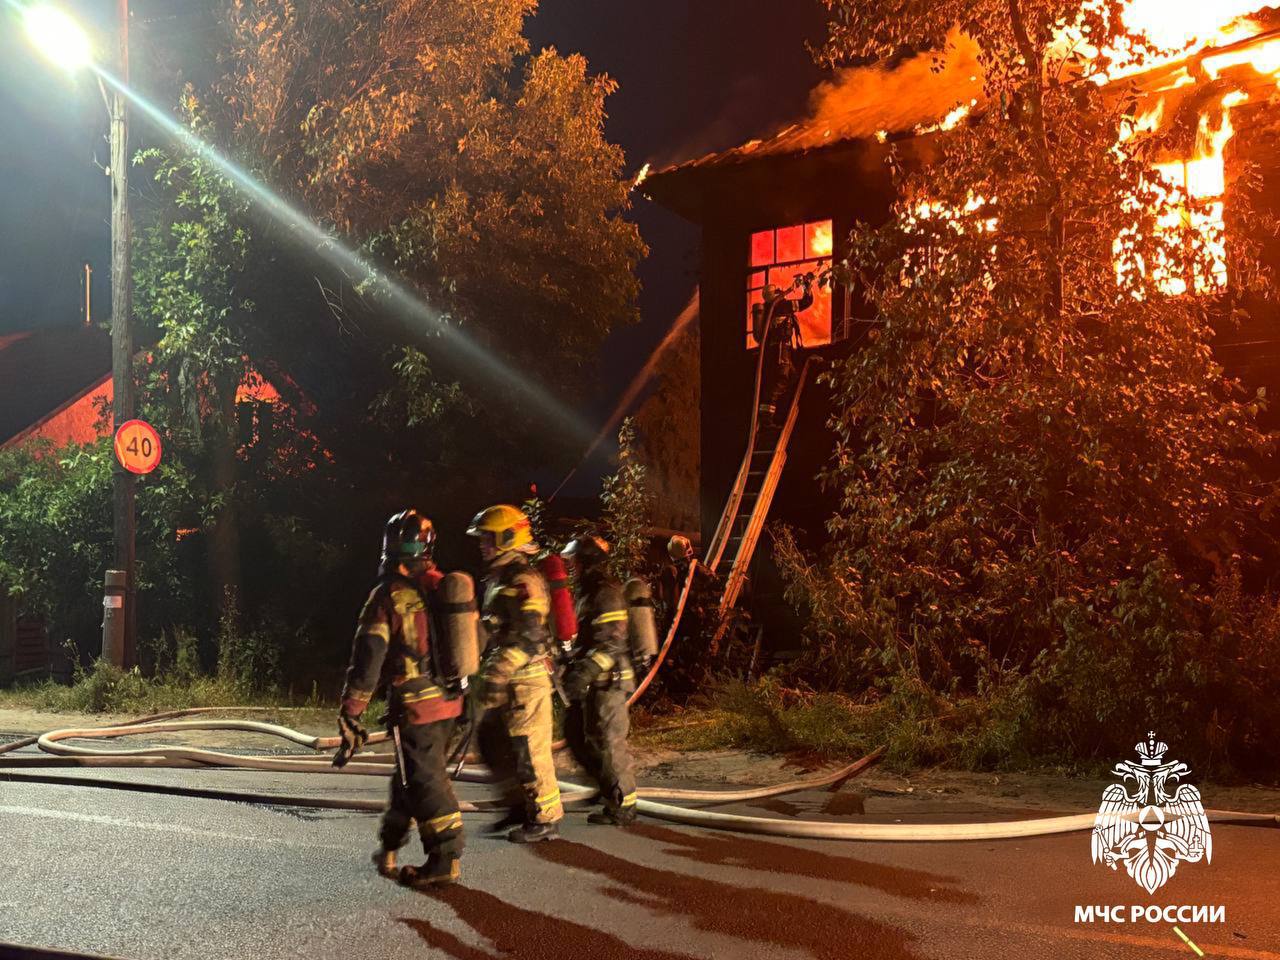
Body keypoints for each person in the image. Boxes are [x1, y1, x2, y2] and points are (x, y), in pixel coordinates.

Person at [335, 509, 465, 888]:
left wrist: (351, 709)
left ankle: (444, 858)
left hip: (416, 705)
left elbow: (369, 655)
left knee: (424, 781)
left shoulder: (388, 595)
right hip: (450, 703)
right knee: (409, 777)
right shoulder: (442, 586)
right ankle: (389, 846)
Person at [467, 503, 563, 843]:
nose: (482, 544)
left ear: (508, 538)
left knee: (528, 749)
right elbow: (496, 626)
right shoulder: (499, 579)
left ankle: (544, 817)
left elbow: (530, 636)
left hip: (527, 680)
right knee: (491, 742)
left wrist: (498, 671)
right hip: (504, 678)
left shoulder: (525, 580)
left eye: (487, 538)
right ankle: (515, 806)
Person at [560, 534, 639, 826]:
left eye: (575, 561)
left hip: (610, 681)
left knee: (609, 742)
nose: (571, 567)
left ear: (588, 562)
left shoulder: (606, 594)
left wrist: (583, 672)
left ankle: (623, 806)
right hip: (597, 681)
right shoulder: (587, 593)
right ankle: (607, 788)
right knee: (577, 736)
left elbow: (611, 644)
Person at [751, 277, 812, 425]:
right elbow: (806, 302)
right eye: (778, 291)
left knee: (791, 376)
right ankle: (766, 417)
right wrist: (807, 287)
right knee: (782, 379)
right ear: (775, 294)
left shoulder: (768, 309)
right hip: (780, 349)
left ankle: (773, 411)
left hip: (773, 351)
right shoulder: (781, 306)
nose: (781, 293)